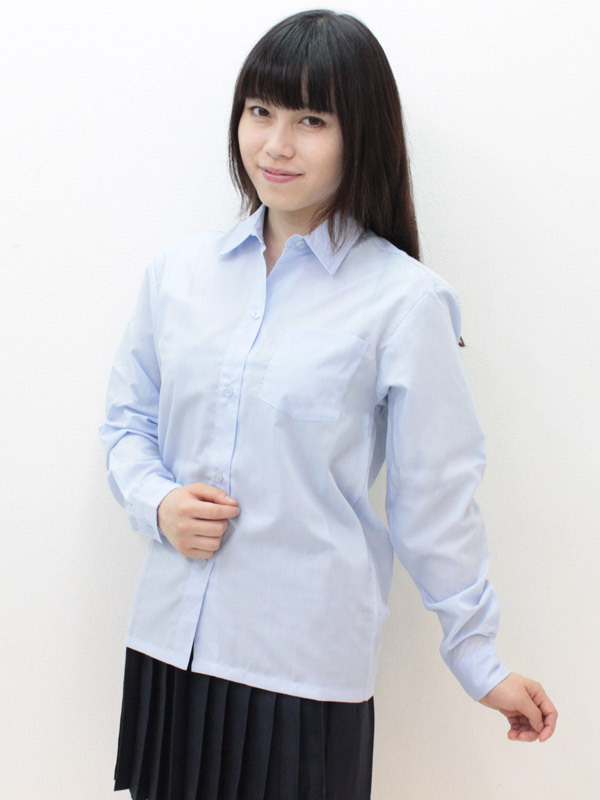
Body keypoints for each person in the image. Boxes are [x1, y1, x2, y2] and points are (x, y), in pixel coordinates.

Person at [98, 9, 557, 800]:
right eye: (260, 111)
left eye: (311, 120)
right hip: (170, 645)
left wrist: (478, 659)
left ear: (361, 134)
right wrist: (158, 502)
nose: (276, 144)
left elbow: (435, 497)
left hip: (300, 669)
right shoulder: (178, 276)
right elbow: (126, 423)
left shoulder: (405, 302)